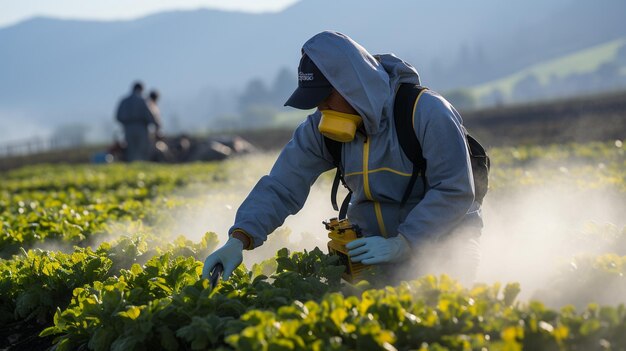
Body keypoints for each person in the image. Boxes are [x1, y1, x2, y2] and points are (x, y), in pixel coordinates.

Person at [202, 31, 483, 285]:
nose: (320, 107)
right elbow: (282, 185)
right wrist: (238, 238)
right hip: (374, 251)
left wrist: (405, 242)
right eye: (315, 100)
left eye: (326, 97)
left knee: (448, 305)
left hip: (443, 240)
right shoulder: (319, 130)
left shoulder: (426, 112)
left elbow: (455, 189)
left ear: (352, 86)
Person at [115, 81, 158, 161]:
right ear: (141, 89)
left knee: (131, 149)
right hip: (141, 128)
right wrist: (156, 124)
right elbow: (150, 115)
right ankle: (142, 167)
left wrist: (125, 123)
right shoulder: (144, 100)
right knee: (142, 149)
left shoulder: (124, 101)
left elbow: (118, 116)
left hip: (128, 128)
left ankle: (132, 166)